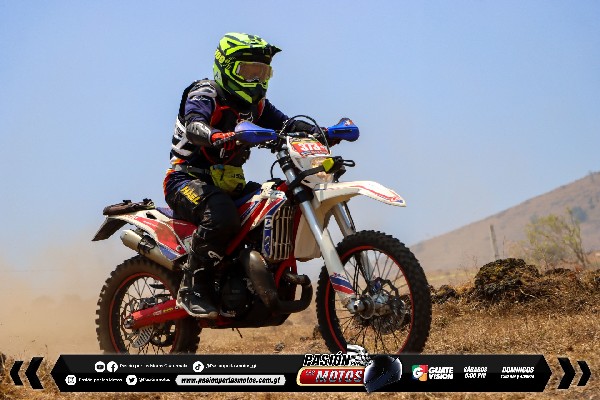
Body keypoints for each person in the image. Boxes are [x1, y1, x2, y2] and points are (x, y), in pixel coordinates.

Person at [164, 32, 316, 318]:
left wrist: (318, 131)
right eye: (248, 72)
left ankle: (251, 279)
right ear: (226, 68)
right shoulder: (204, 93)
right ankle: (192, 287)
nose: (257, 80)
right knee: (221, 215)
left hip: (228, 184)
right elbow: (194, 124)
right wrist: (215, 135)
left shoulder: (256, 105)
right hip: (185, 180)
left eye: (262, 73)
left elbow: (286, 125)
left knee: (276, 202)